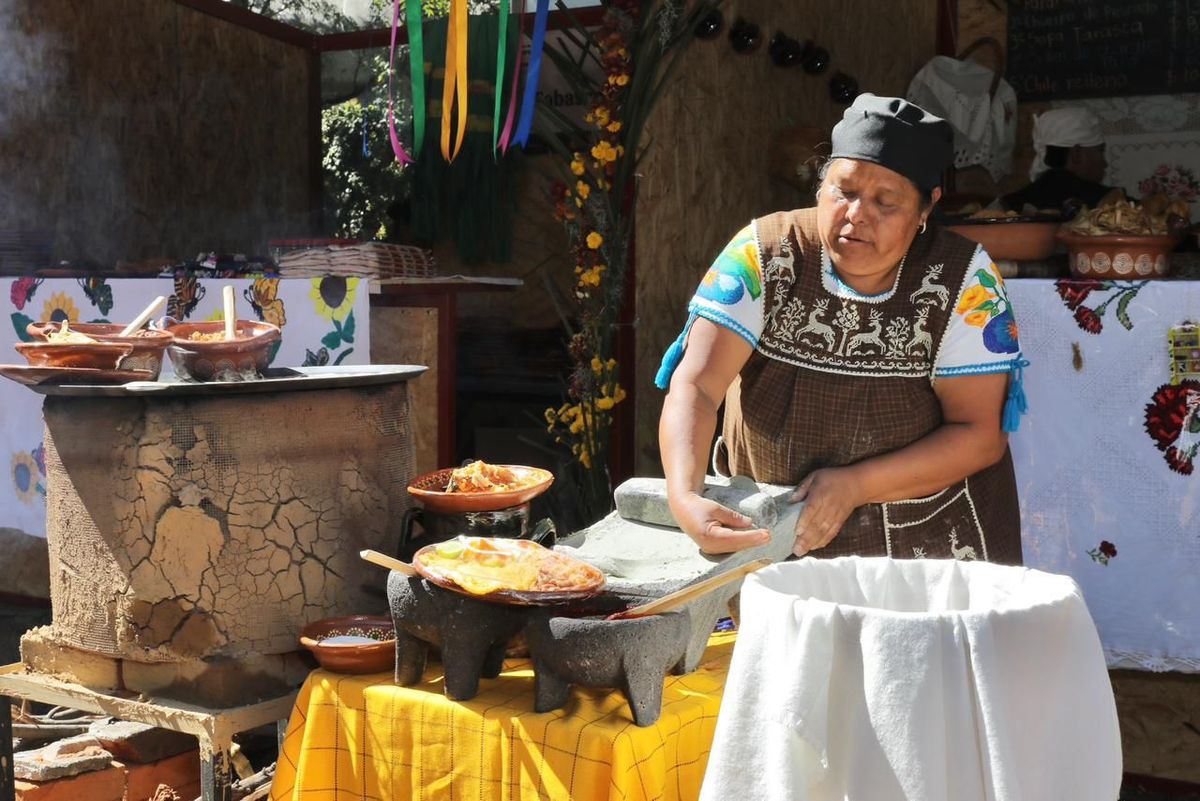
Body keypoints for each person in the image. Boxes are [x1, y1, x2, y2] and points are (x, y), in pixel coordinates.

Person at [656, 94, 1027, 564]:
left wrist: (856, 485)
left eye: (885, 201)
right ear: (819, 185)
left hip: (926, 545)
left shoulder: (964, 281)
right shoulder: (766, 253)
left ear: (926, 208)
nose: (856, 214)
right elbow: (697, 386)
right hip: (775, 531)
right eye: (843, 191)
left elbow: (979, 433)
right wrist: (684, 495)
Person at [1000, 107, 1120, 215]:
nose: (1105, 163)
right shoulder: (1112, 206)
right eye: (1100, 151)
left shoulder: (1008, 204)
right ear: (1076, 153)